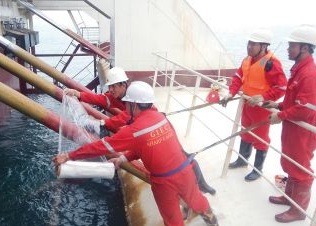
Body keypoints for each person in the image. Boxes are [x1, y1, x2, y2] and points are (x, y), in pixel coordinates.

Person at [54, 81, 220, 226]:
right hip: (185, 171)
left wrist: (69, 156)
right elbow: (146, 146)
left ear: (133, 105)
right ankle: (213, 223)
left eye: (127, 103)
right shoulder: (161, 117)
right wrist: (122, 159)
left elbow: (100, 146)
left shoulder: (134, 130)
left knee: (172, 218)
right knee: (197, 199)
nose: (125, 106)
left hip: (163, 182)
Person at [65, 68, 217, 195]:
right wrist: (79, 95)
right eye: (109, 87)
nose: (110, 90)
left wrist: (104, 123)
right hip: (144, 128)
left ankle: (201, 186)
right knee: (176, 160)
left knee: (184, 158)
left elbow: (126, 116)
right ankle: (191, 189)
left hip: (152, 127)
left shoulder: (134, 96)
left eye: (114, 86)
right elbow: (101, 100)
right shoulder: (119, 95)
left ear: (123, 84)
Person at [265, 25, 316, 223]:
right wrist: (278, 105)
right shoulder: (300, 70)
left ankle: (298, 210)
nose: (288, 49)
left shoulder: (310, 74)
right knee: (290, 164)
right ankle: (289, 198)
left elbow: (307, 108)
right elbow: (296, 101)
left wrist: (281, 115)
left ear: (304, 48)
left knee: (300, 170)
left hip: (302, 133)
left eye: (292, 46)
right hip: (293, 127)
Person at [224, 29, 287, 181]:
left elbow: (281, 87)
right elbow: (238, 77)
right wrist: (231, 93)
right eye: (249, 43)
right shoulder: (247, 60)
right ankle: (242, 160)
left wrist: (263, 97)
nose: (249, 46)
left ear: (264, 46)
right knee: (245, 132)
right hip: (247, 104)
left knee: (261, 138)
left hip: (261, 108)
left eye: (253, 44)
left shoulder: (272, 64)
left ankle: (258, 170)